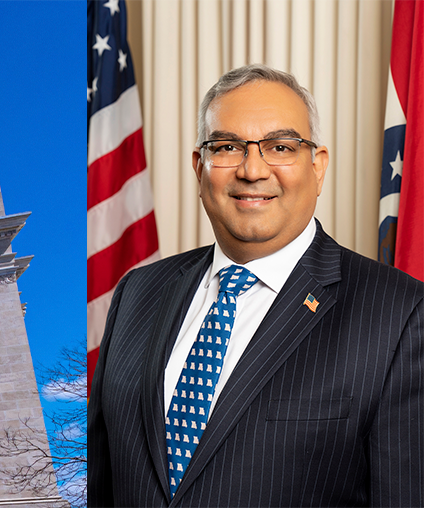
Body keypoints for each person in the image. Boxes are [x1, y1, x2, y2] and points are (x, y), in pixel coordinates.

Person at [91, 64, 424, 507]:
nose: (252, 170)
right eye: (227, 146)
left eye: (280, 147)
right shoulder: (137, 293)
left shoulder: (399, 314)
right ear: (200, 167)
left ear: (317, 166)